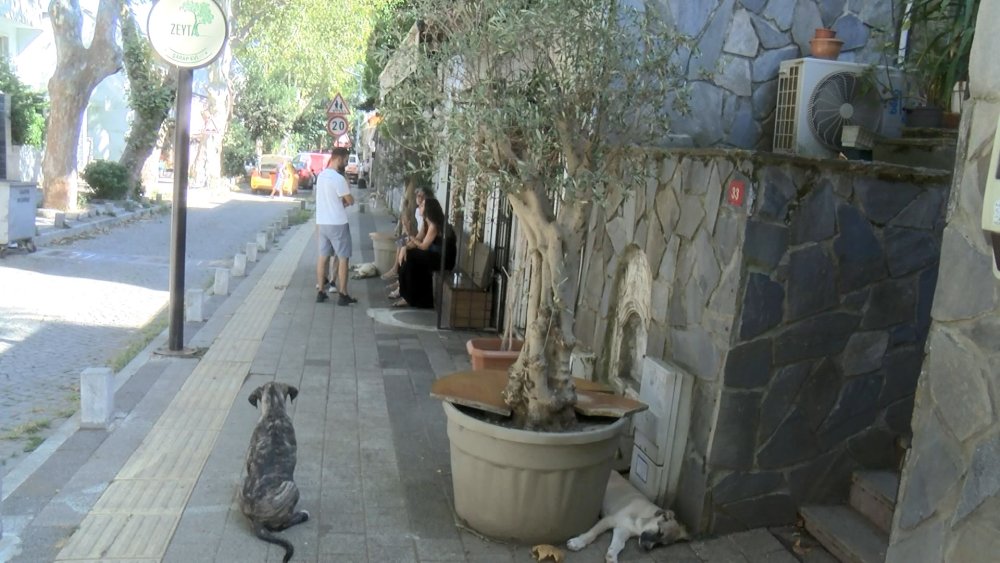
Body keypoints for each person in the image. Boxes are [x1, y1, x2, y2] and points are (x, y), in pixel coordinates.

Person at [393, 197, 455, 308]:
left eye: (422, 205)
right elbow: (418, 239)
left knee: (411, 256)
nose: (419, 207)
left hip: (443, 259)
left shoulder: (434, 225)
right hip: (433, 254)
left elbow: (423, 246)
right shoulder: (426, 223)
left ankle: (408, 296)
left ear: (428, 209)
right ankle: (404, 292)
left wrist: (408, 234)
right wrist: (404, 247)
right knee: (407, 252)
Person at [315, 147, 358, 306]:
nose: (346, 164)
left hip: (322, 222)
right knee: (343, 258)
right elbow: (350, 199)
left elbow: (329, 198)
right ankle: (343, 293)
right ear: (338, 158)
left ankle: (321, 291)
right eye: (346, 161)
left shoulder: (321, 176)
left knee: (322, 257)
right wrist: (349, 200)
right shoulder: (338, 179)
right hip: (338, 223)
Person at [382, 187, 430, 281]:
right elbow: (418, 232)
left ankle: (399, 281)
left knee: (406, 249)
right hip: (420, 239)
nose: (418, 198)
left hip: (425, 243)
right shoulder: (418, 211)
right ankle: (396, 270)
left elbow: (421, 236)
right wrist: (408, 233)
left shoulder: (427, 214)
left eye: (421, 196)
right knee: (402, 239)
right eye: (417, 196)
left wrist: (407, 243)